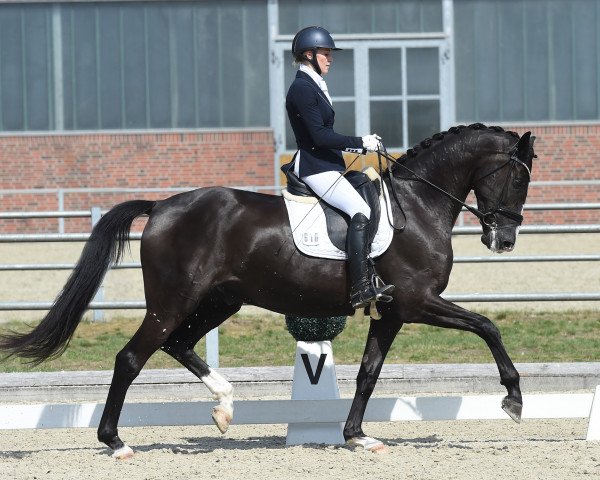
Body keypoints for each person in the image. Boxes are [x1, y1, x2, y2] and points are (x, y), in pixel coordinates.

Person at [285, 26, 394, 309]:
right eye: (325, 53)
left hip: (330, 163)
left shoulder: (314, 84)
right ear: (308, 54)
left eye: (330, 53)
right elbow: (319, 137)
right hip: (316, 166)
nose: (330, 58)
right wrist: (361, 142)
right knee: (361, 211)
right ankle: (359, 288)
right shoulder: (302, 88)